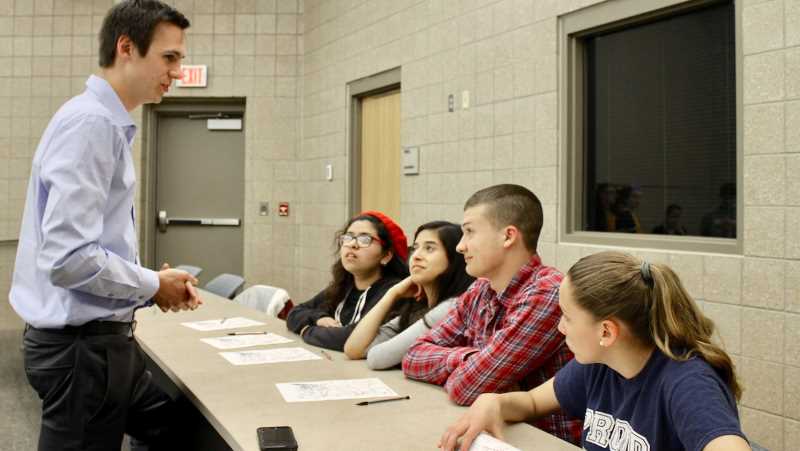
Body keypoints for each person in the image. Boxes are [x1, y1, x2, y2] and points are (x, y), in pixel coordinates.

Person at [9, 2, 201, 450]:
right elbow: (69, 259)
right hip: (82, 350)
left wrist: (150, 283)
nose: (177, 72)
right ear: (126, 48)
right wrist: (152, 284)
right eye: (169, 58)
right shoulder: (91, 124)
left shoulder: (103, 121)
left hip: (103, 343)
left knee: (172, 427)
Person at [440, 251, 749, 451]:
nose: (560, 327)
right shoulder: (599, 365)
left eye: (567, 317)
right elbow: (532, 402)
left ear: (606, 332)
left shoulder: (687, 382)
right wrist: (492, 402)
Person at [402, 184, 581, 444]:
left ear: (508, 236)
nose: (460, 246)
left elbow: (467, 388)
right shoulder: (480, 288)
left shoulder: (547, 293)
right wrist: (468, 357)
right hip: (496, 435)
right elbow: (413, 356)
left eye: (469, 232)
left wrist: (467, 370)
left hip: (545, 442)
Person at [343, 221, 475, 369]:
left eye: (429, 248)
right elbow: (353, 349)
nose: (416, 256)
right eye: (415, 248)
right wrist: (392, 294)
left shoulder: (452, 306)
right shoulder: (417, 307)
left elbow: (377, 358)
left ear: (454, 259)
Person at [286, 211, 409, 351]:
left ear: (386, 256)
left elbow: (351, 337)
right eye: (348, 237)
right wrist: (318, 318)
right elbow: (294, 313)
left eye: (365, 239)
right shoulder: (344, 285)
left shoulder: (393, 291)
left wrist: (306, 331)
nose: (352, 245)